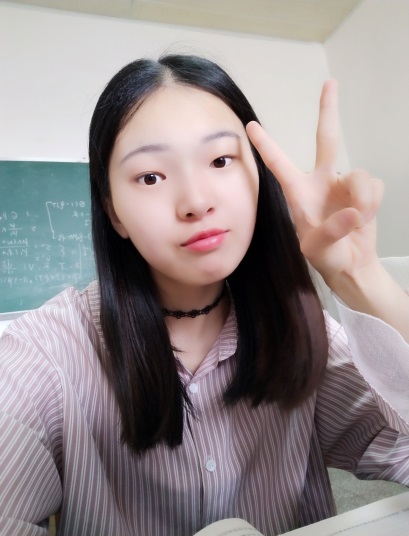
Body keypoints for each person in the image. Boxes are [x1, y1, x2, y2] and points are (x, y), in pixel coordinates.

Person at [0, 54, 408, 536]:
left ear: (257, 177)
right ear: (113, 213)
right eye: (150, 177)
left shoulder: (300, 328)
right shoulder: (45, 354)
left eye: (220, 160)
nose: (196, 202)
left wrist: (362, 278)